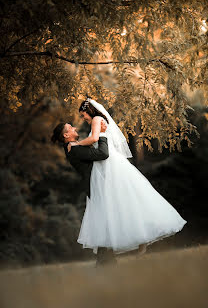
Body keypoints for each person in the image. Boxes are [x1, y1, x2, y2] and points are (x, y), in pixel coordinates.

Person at [68, 98, 187, 261]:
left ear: (90, 111)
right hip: (104, 166)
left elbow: (95, 138)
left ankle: (138, 238)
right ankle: (140, 237)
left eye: (83, 115)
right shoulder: (98, 120)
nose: (84, 119)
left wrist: (77, 144)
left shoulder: (96, 119)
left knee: (118, 201)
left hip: (108, 165)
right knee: (121, 202)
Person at [51, 121, 117, 266]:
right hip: (96, 188)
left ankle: (106, 261)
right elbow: (103, 153)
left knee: (105, 223)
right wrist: (103, 134)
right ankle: (105, 261)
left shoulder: (75, 146)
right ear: (66, 135)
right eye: (70, 127)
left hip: (96, 186)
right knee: (105, 223)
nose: (74, 128)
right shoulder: (74, 149)